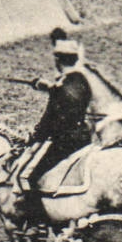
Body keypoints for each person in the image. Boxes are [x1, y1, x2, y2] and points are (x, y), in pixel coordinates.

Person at [20, 31, 95, 215]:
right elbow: (66, 91)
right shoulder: (82, 80)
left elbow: (49, 120)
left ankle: (36, 222)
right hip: (84, 138)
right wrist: (48, 87)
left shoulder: (61, 87)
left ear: (58, 61)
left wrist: (34, 137)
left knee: (30, 177)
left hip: (65, 142)